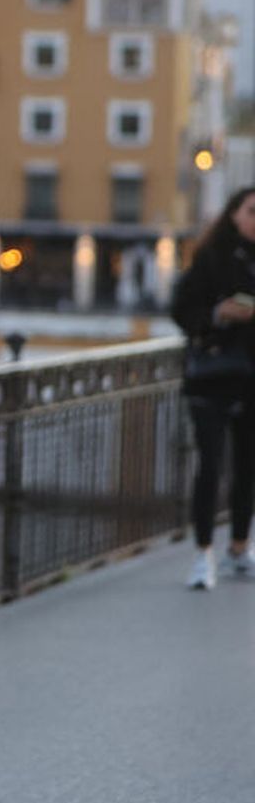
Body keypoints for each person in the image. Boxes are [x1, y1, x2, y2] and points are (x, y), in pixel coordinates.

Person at [169, 185, 255, 590]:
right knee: (210, 465)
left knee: (248, 466)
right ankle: (203, 554)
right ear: (235, 215)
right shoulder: (211, 258)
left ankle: (239, 546)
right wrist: (219, 314)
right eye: (252, 211)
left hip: (250, 378)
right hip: (214, 377)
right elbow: (181, 309)